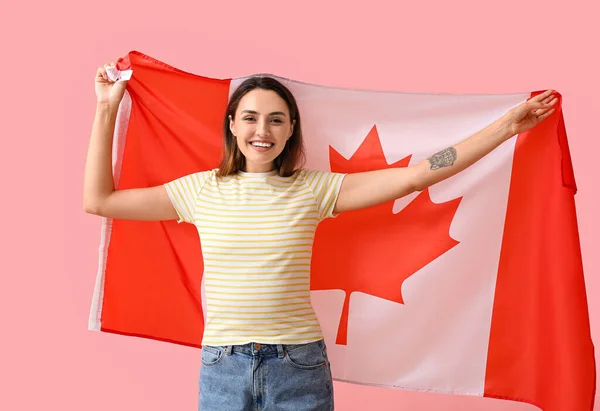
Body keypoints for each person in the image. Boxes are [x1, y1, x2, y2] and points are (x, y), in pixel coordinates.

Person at [84, 59, 558, 411]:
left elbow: (414, 177)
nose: (262, 130)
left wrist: (505, 128)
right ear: (232, 126)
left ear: (291, 129)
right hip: (222, 368)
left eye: (275, 119)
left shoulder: (313, 189)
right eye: (249, 117)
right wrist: (107, 109)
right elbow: (100, 200)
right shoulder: (199, 190)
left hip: (298, 365)